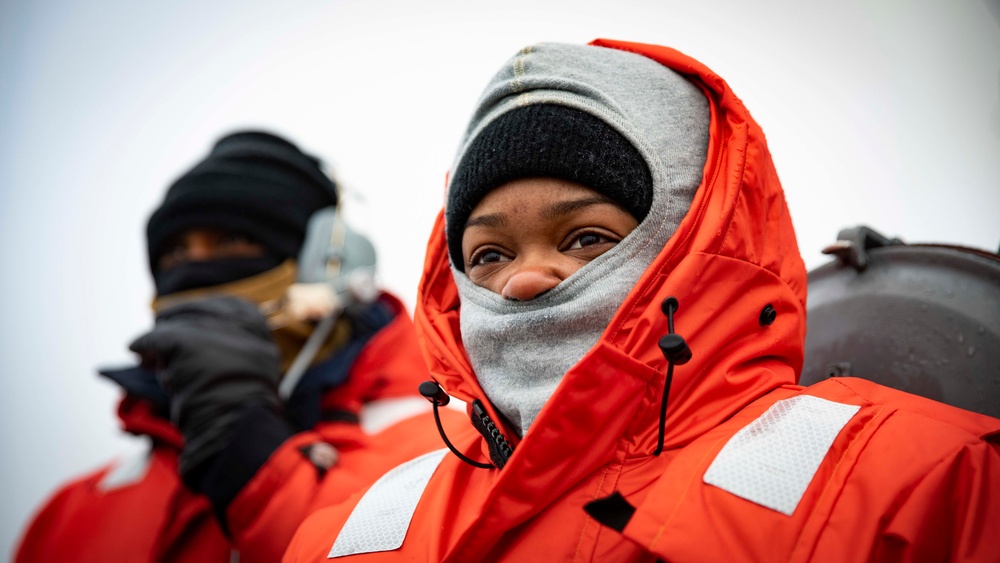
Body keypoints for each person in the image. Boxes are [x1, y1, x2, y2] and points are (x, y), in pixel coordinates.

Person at [284, 40, 1000, 562]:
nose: (524, 281)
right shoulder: (351, 535)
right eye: (489, 253)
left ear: (692, 242)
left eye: (588, 237)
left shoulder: (918, 484)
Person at [14, 131, 464, 563]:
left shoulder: (454, 458)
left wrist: (248, 455)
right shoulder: (71, 511)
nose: (194, 269)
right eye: (173, 253)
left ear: (328, 265)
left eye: (232, 241)